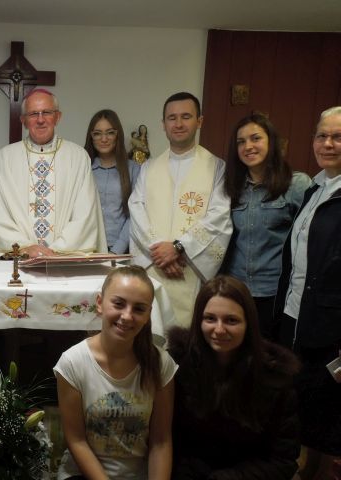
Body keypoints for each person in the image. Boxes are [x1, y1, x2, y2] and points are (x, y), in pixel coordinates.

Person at [167, 275, 300, 479]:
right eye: (210, 319)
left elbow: (283, 460)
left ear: (249, 324)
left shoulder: (274, 377)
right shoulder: (178, 365)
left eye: (231, 320)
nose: (219, 330)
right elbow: (168, 439)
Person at [54, 265, 176, 479]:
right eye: (119, 304)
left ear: (148, 314)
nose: (127, 316)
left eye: (139, 309)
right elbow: (77, 441)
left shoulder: (160, 364)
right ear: (100, 303)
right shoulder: (73, 362)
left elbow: (161, 442)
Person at [274, 106, 341, 480]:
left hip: (330, 329)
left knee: (325, 422)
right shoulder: (315, 188)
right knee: (303, 413)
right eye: (322, 136)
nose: (328, 144)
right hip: (297, 317)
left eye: (338, 137)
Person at [129, 92, 232, 327]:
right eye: (172, 118)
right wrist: (160, 253)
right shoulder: (148, 168)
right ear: (163, 124)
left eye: (186, 116)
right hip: (153, 268)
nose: (178, 124)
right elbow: (136, 210)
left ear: (199, 121)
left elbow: (219, 216)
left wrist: (179, 248)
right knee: (147, 333)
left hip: (190, 268)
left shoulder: (217, 167)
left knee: (185, 337)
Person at [0, 88, 106, 259]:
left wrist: (55, 251)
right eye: (33, 114)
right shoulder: (3, 159)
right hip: (20, 260)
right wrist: (26, 248)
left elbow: (85, 213)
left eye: (47, 112)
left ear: (58, 117)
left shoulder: (77, 157)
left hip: (64, 261)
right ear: (23, 121)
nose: (40, 120)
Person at [220, 113, 310, 338]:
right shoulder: (230, 187)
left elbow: (309, 240)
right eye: (241, 142)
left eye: (256, 138)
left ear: (271, 142)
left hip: (275, 292)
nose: (248, 146)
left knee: (269, 354)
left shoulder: (296, 184)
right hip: (236, 290)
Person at [84, 109, 140, 254]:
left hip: (122, 251)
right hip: (86, 250)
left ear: (117, 135)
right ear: (91, 137)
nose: (104, 139)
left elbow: (135, 214)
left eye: (110, 132)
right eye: (97, 133)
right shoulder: (83, 168)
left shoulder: (134, 169)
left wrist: (116, 251)